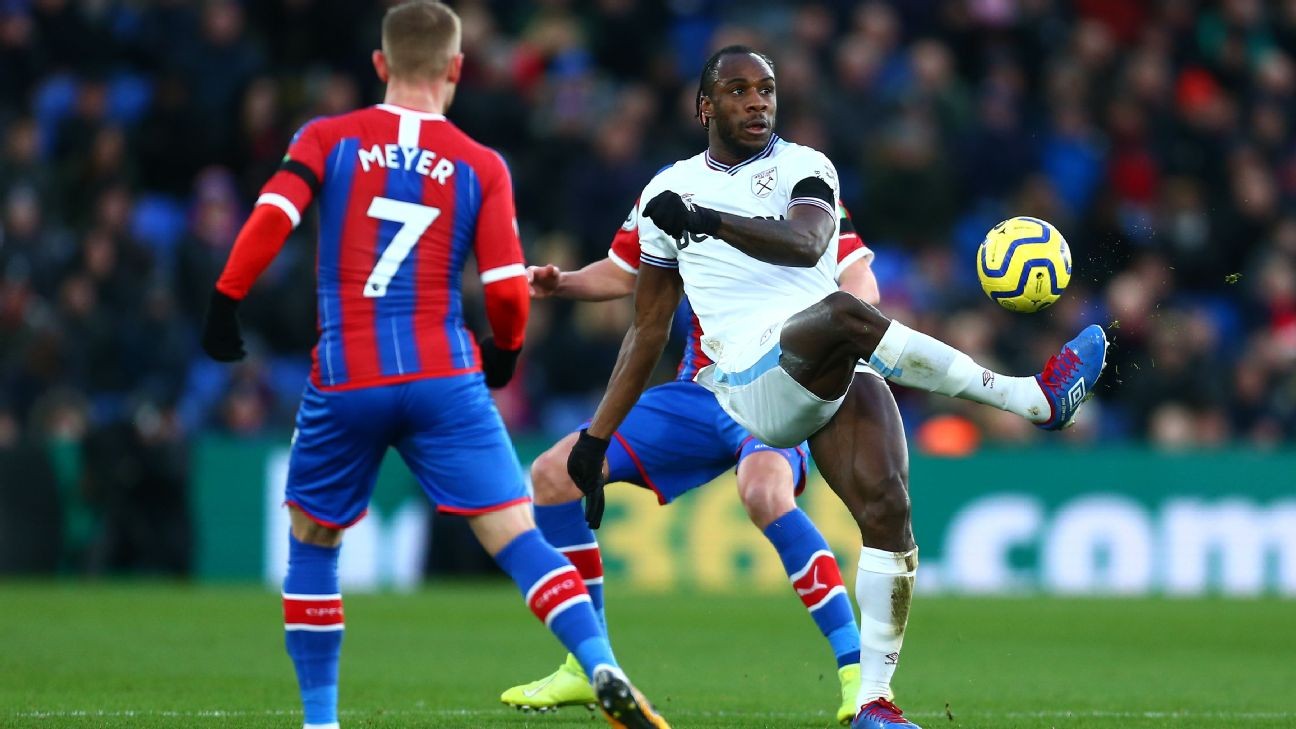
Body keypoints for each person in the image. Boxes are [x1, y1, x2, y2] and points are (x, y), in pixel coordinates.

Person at [566, 47, 1109, 729]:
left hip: (819, 359)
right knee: (851, 318)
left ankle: (874, 705)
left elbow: (806, 240)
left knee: (889, 513)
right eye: (737, 91)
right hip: (742, 384)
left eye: (766, 89)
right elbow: (646, 331)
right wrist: (596, 436)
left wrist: (707, 220)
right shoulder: (662, 193)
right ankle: (1036, 399)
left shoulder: (804, 167)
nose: (757, 101)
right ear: (705, 107)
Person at [200, 4, 669, 729]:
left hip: (347, 371)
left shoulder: (327, 137)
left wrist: (226, 301)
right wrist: (505, 353)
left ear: (381, 66)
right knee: (517, 533)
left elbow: (273, 215)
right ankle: (599, 656)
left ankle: (320, 720)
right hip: (444, 373)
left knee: (314, 540)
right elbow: (509, 288)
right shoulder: (482, 163)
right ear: (456, 69)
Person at [500, 199, 879, 725]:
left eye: (764, 108)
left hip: (775, 386)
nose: (756, 111)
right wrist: (559, 282)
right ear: (707, 110)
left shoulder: (809, 190)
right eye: (743, 106)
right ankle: (589, 663)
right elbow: (622, 271)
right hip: (699, 393)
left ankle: (858, 675)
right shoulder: (676, 188)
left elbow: (861, 284)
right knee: (552, 474)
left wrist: (830, 344)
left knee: (764, 492)